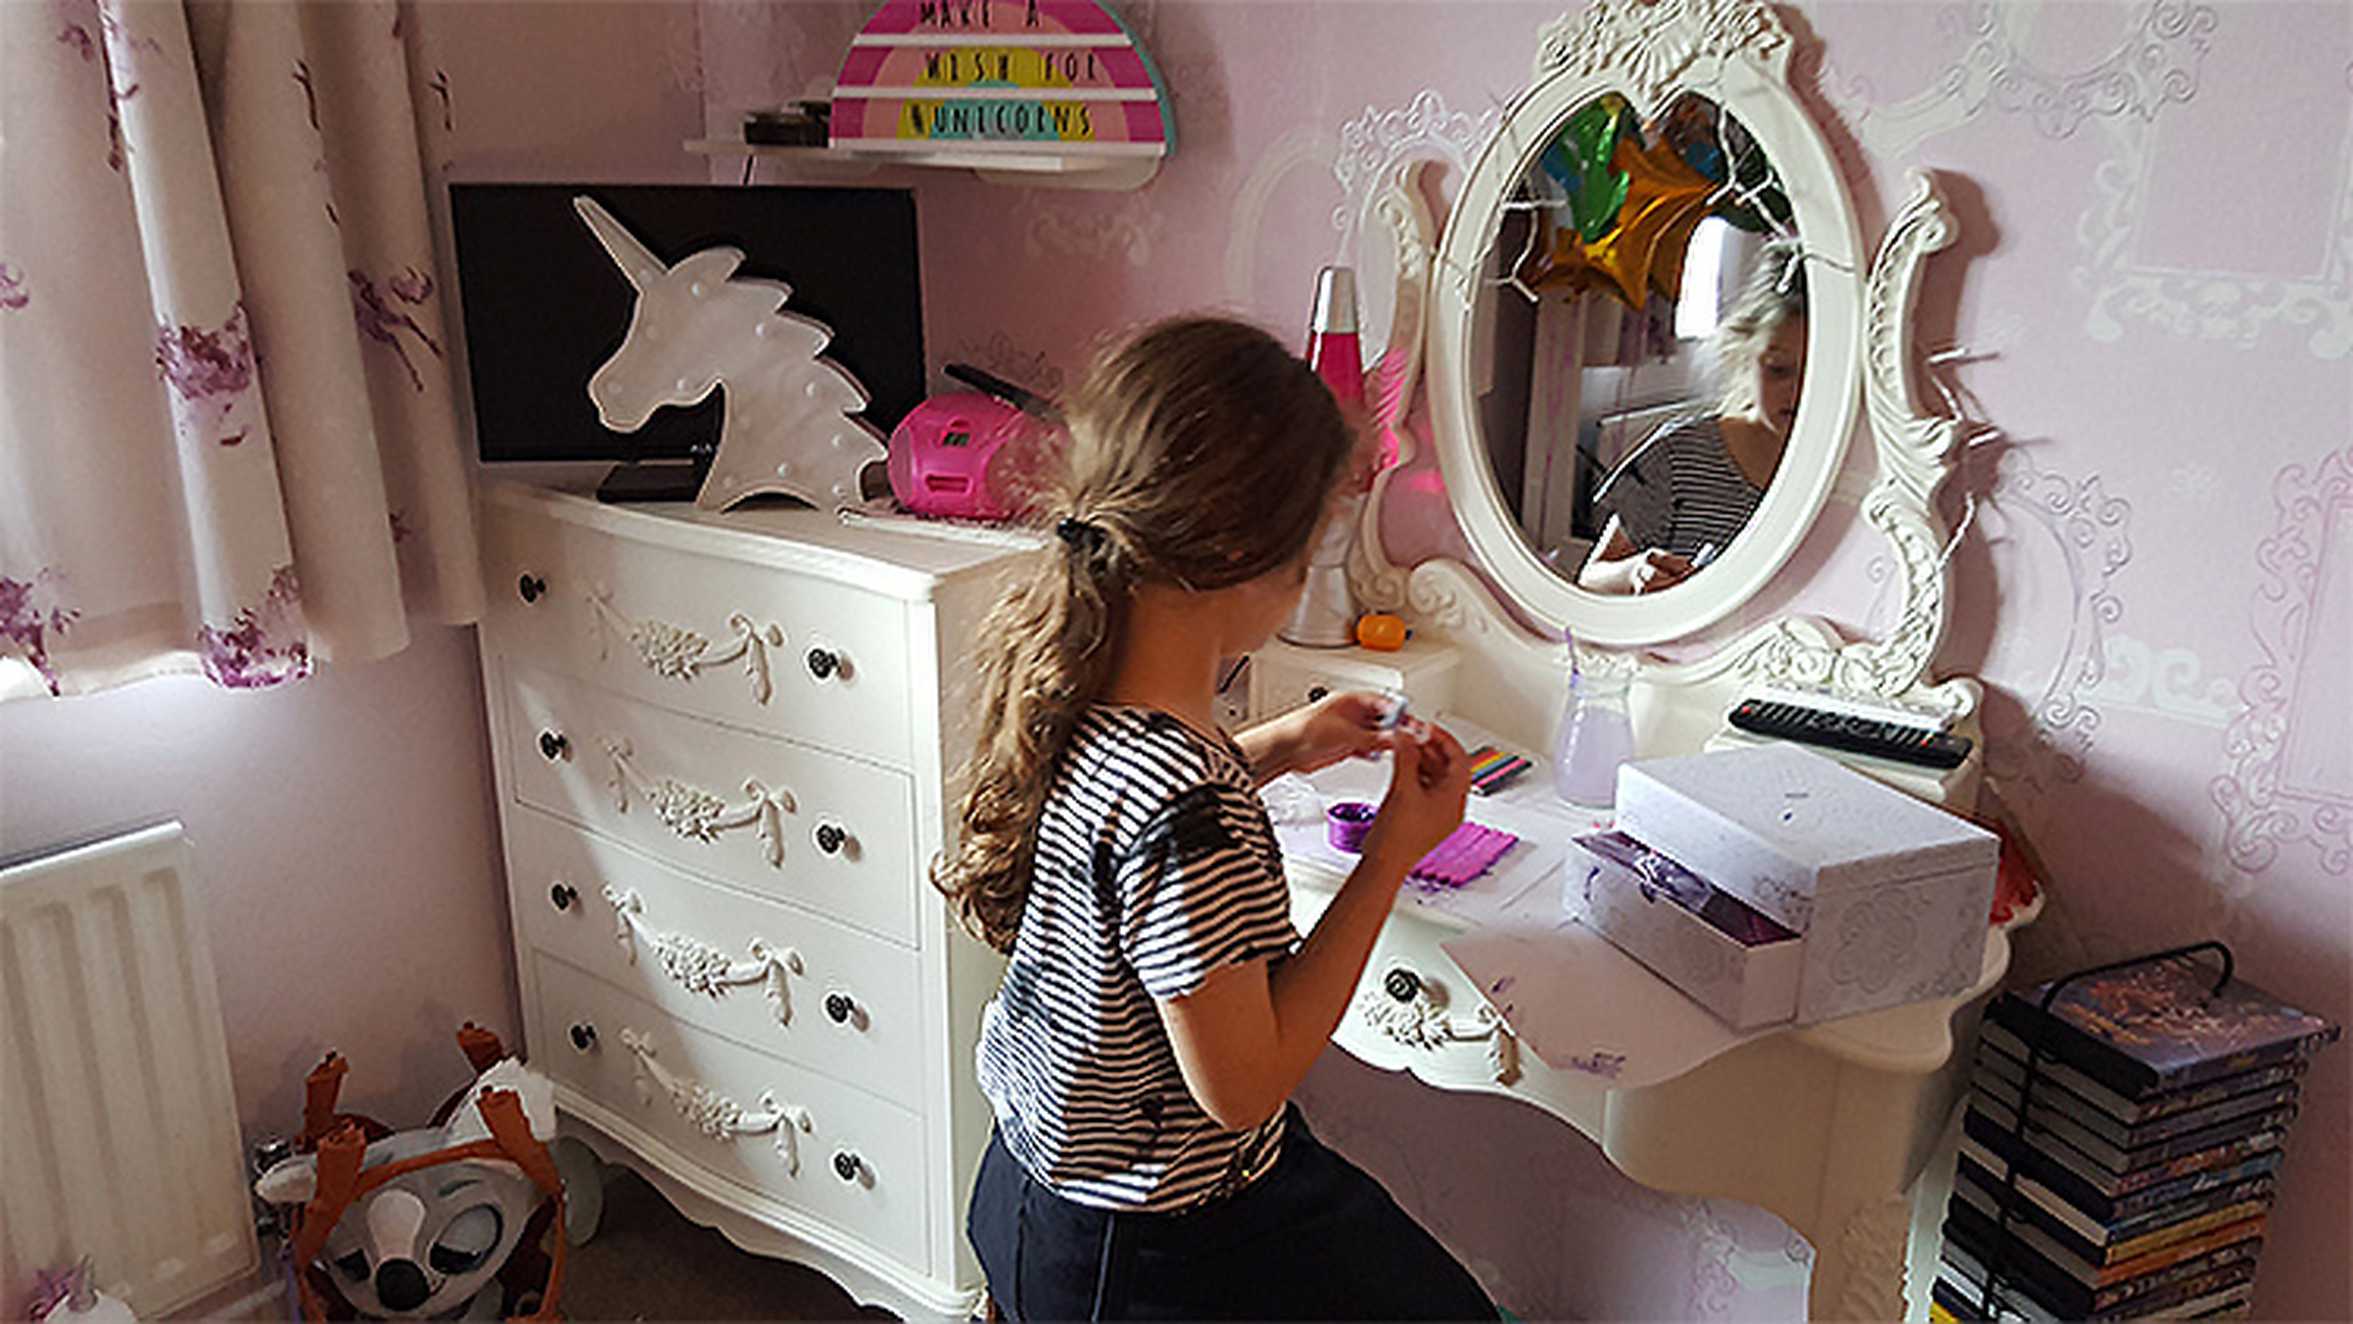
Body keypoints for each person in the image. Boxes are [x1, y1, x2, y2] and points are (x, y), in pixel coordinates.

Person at [934, 316, 1496, 1321]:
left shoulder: (1075, 697)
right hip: (1150, 1254)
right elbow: (1243, 1089)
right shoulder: (1193, 805)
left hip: (1031, 1199)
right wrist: (1392, 858)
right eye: (1307, 548)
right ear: (1245, 552)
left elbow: (1133, 836)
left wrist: (1282, 743)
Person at [1577, 240, 1808, 595]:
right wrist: (1637, 571)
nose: (1798, 390)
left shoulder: (1851, 471)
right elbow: (1592, 577)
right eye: (1779, 370)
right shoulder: (1678, 456)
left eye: (1818, 370)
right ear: (1745, 356)